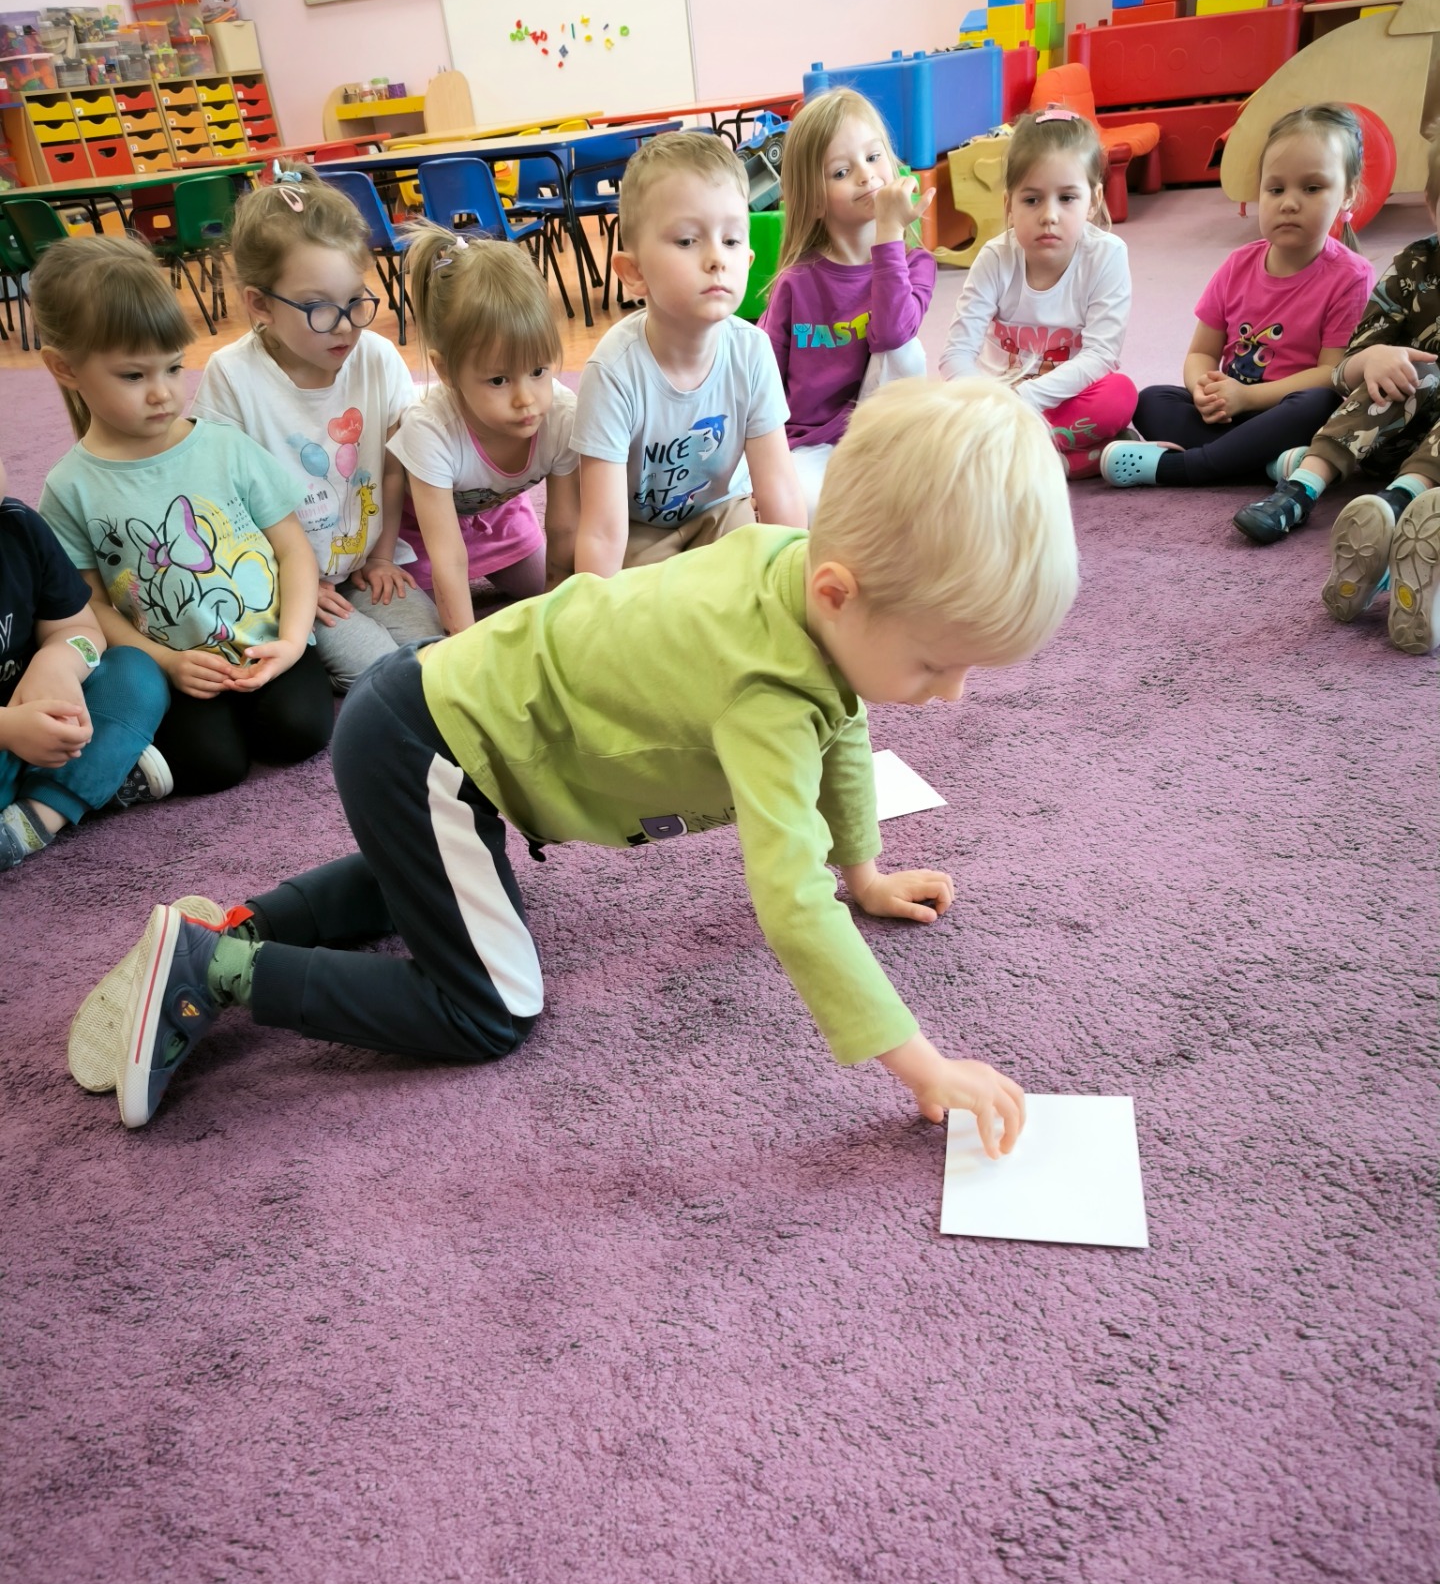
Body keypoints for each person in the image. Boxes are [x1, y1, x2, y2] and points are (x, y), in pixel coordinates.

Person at [74, 378, 1077, 1145]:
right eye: (937, 663)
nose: (952, 694)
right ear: (838, 594)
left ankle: (236, 922)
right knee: (490, 1006)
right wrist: (923, 1065)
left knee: (445, 885)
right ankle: (219, 969)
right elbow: (790, 902)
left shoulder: (793, 570)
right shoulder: (767, 692)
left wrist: (864, 870)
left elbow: (844, 728)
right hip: (429, 745)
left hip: (436, 726)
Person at [33, 236, 332, 796]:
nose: (163, 394)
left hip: (266, 643)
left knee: (299, 732)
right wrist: (166, 663)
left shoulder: (225, 446)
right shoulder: (69, 487)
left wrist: (292, 642)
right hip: (174, 665)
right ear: (64, 368)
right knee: (210, 767)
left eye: (173, 368)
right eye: (133, 376)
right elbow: (87, 606)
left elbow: (292, 548)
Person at [190, 160, 440, 690]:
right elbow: (223, 507)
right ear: (260, 304)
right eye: (317, 308)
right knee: (379, 673)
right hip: (289, 581)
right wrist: (290, 587)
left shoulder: (376, 358)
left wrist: (381, 555)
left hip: (364, 563)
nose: (345, 326)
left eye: (355, 301)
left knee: (431, 654)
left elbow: (392, 469)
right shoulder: (231, 376)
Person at [1231, 135, 1440, 655]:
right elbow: (1345, 368)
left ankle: (1398, 519)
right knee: (1401, 371)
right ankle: (1301, 489)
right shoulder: (1415, 266)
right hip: (1390, 433)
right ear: (1432, 205)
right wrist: (1374, 357)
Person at [1102, 103, 1371, 492]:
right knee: (1150, 400)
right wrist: (1204, 390)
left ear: (1347, 194)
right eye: (1275, 189)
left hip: (1286, 411)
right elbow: (1201, 352)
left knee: (1320, 403)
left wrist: (1248, 396)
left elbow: (1331, 374)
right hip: (1232, 412)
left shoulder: (1350, 276)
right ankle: (1266, 463)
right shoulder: (1238, 265)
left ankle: (1184, 468)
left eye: (1312, 188)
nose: (1289, 202)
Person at [572, 128, 806, 576]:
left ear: (748, 260)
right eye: (686, 241)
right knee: (636, 599)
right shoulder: (612, 371)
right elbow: (602, 531)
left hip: (721, 514)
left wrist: (795, 579)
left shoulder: (752, 350)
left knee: (760, 566)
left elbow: (778, 487)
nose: (717, 258)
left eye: (731, 240)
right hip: (640, 531)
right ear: (634, 273)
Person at [387, 228, 580, 635]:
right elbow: (447, 557)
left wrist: (559, 619)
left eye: (538, 370)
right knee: (423, 630)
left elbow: (564, 527)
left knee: (554, 593)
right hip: (422, 537)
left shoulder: (562, 416)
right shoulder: (429, 430)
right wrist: (466, 646)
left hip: (499, 521)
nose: (525, 400)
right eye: (498, 380)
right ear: (446, 371)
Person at [759, 87, 936, 519]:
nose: (866, 175)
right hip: (811, 444)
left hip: (886, 434)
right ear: (815, 199)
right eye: (841, 171)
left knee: (908, 351)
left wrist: (889, 233)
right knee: (802, 509)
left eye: (873, 157)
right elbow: (762, 377)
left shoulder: (916, 264)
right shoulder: (797, 282)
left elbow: (892, 334)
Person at [940, 107, 1137, 479]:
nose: (1049, 215)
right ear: (1009, 205)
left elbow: (1100, 355)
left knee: (1120, 395)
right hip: (997, 403)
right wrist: (992, 402)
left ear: (1093, 201)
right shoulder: (995, 258)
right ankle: (1071, 460)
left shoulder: (1107, 256)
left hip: (1062, 401)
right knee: (935, 413)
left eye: (1067, 198)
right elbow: (956, 355)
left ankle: (1016, 457)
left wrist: (1022, 401)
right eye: (1032, 200)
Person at [0, 450, 170, 873]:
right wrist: (9, 729)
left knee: (135, 673)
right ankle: (95, 779)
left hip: (43, 720)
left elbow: (82, 630)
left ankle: (31, 821)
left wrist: (59, 662)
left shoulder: (18, 527)